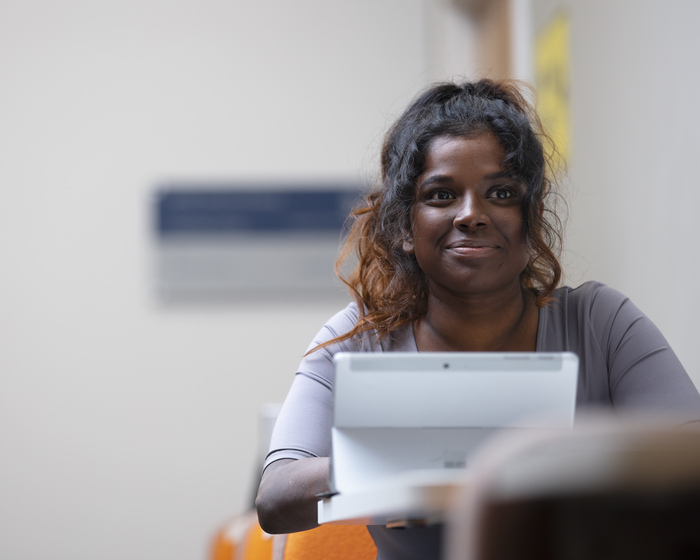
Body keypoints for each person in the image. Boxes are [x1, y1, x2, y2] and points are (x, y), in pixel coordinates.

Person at [255, 79, 700, 560]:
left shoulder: (600, 322)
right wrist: (409, 454)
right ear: (406, 225)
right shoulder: (359, 337)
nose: (472, 215)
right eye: (442, 195)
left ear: (531, 220)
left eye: (502, 193)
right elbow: (276, 499)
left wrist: (556, 458)